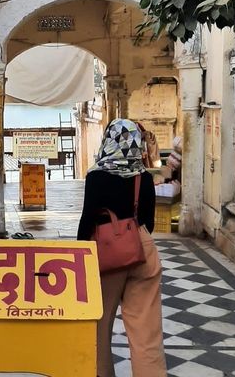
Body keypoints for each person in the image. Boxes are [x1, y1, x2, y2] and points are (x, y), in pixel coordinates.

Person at [77, 118, 167, 377]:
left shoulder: (96, 176)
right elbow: (148, 222)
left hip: (108, 252)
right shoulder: (143, 177)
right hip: (142, 249)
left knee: (100, 324)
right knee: (147, 331)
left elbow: (87, 220)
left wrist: (81, 254)